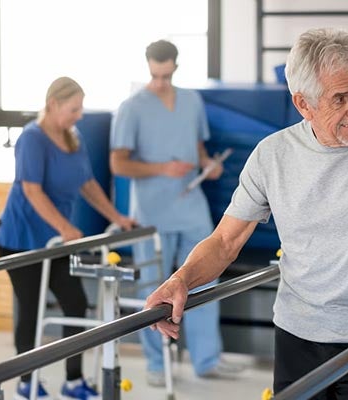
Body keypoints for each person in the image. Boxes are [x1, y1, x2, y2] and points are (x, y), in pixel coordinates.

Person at [145, 28, 348, 399]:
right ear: (303, 104)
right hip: (297, 335)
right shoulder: (272, 156)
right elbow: (225, 241)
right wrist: (182, 280)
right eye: (340, 98)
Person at [109, 39, 241, 386]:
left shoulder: (191, 101)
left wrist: (208, 166)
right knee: (154, 289)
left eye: (167, 75)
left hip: (191, 206)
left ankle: (207, 359)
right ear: (148, 66)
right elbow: (118, 163)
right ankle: (156, 363)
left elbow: (197, 150)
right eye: (155, 75)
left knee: (204, 279)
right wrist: (161, 169)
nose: (161, 82)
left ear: (176, 68)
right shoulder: (131, 107)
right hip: (152, 211)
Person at [0, 76, 135, 400]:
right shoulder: (32, 139)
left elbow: (87, 183)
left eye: (81, 108)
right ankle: (26, 381)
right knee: (30, 310)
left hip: (55, 243)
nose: (80, 115)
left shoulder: (73, 137)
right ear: (53, 104)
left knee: (75, 302)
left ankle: (73, 380)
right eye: (74, 108)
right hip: (22, 239)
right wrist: (65, 227)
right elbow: (32, 190)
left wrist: (117, 217)